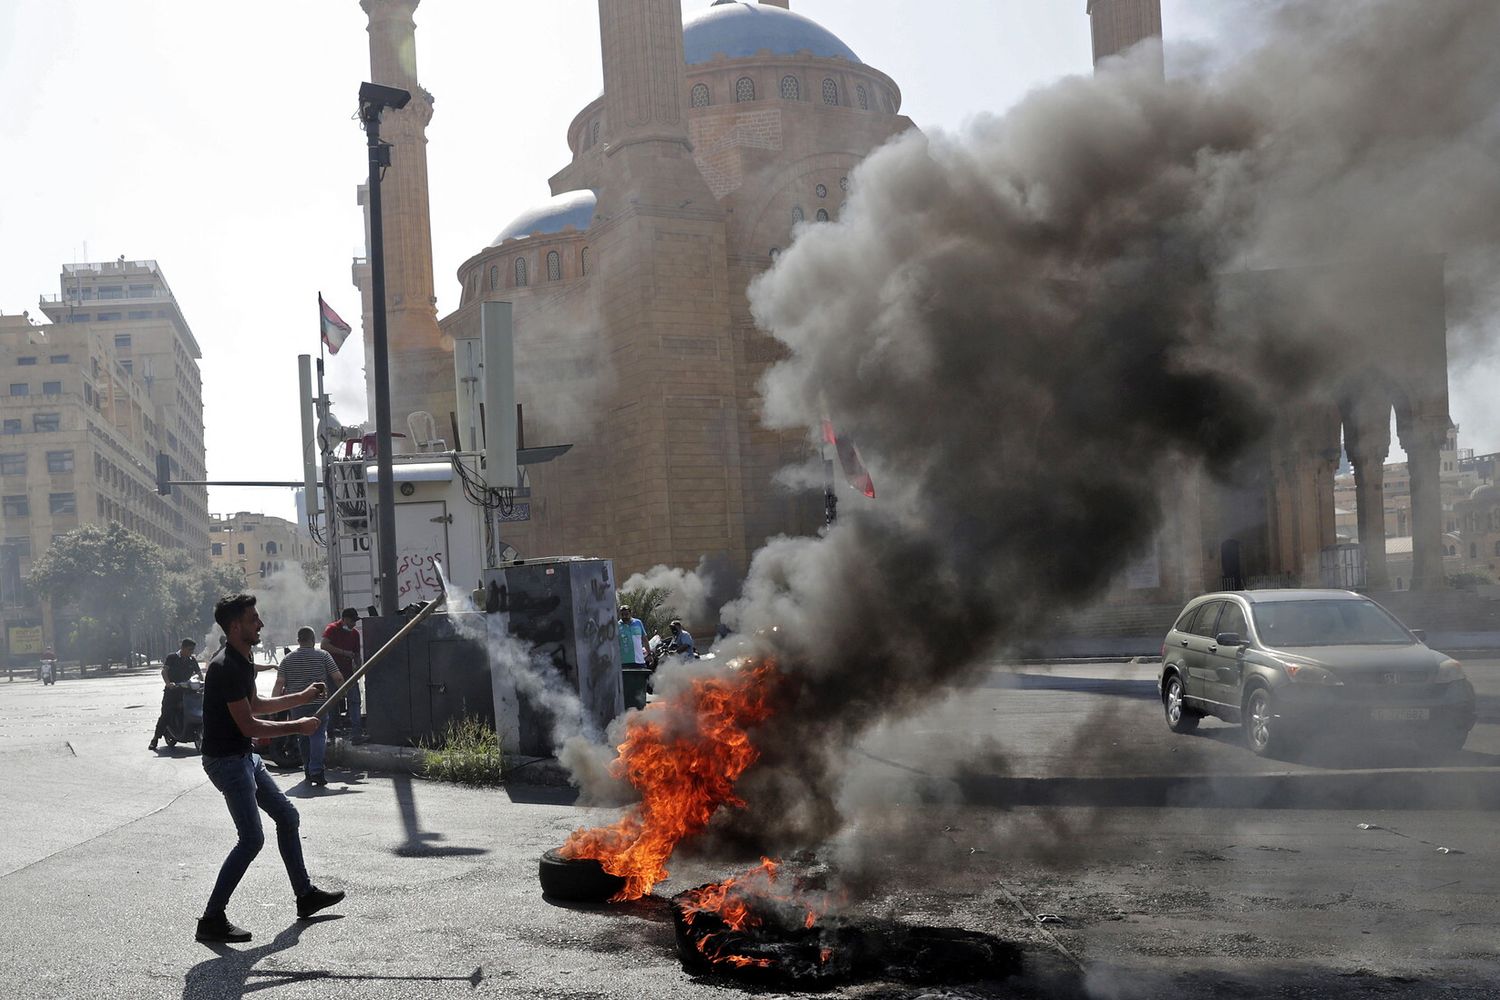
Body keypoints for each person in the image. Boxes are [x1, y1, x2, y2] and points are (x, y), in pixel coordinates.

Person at [197, 594, 343, 943]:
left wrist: (302, 696)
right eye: (253, 619)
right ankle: (211, 919)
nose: (260, 624)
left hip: (244, 758)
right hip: (226, 762)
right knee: (251, 840)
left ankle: (305, 896)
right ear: (235, 627)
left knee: (287, 817)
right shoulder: (226, 667)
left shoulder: (243, 659)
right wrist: (298, 726)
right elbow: (249, 725)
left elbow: (257, 704)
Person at [273, 627, 343, 787]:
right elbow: (337, 677)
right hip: (320, 704)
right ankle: (317, 770)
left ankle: (307, 769)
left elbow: (279, 684)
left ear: (298, 640)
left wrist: (274, 707)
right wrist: (342, 693)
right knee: (318, 735)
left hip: (296, 705)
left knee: (303, 736)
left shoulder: (287, 659)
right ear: (313, 639)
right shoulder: (323, 655)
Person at [321, 608, 365, 744]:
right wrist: (344, 652)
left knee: (355, 701)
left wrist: (359, 665)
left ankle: (356, 734)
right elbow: (324, 645)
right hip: (331, 673)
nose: (353, 624)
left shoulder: (355, 634)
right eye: (352, 621)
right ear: (344, 619)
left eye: (355, 621)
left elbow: (357, 654)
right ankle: (330, 733)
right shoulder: (332, 629)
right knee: (331, 703)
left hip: (348, 673)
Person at [150, 639, 202, 751]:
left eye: (193, 650)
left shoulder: (192, 660)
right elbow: (164, 671)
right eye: (189, 649)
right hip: (173, 692)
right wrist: (168, 683)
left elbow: (199, 674)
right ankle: (155, 739)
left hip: (188, 692)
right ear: (183, 648)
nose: (191, 652)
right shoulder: (172, 657)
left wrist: (203, 682)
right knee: (166, 714)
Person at [618, 604, 647, 670]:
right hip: (624, 662)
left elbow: (644, 639)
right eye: (622, 615)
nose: (624, 616)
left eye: (626, 614)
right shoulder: (618, 626)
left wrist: (649, 654)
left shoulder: (638, 623)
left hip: (639, 661)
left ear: (630, 613)